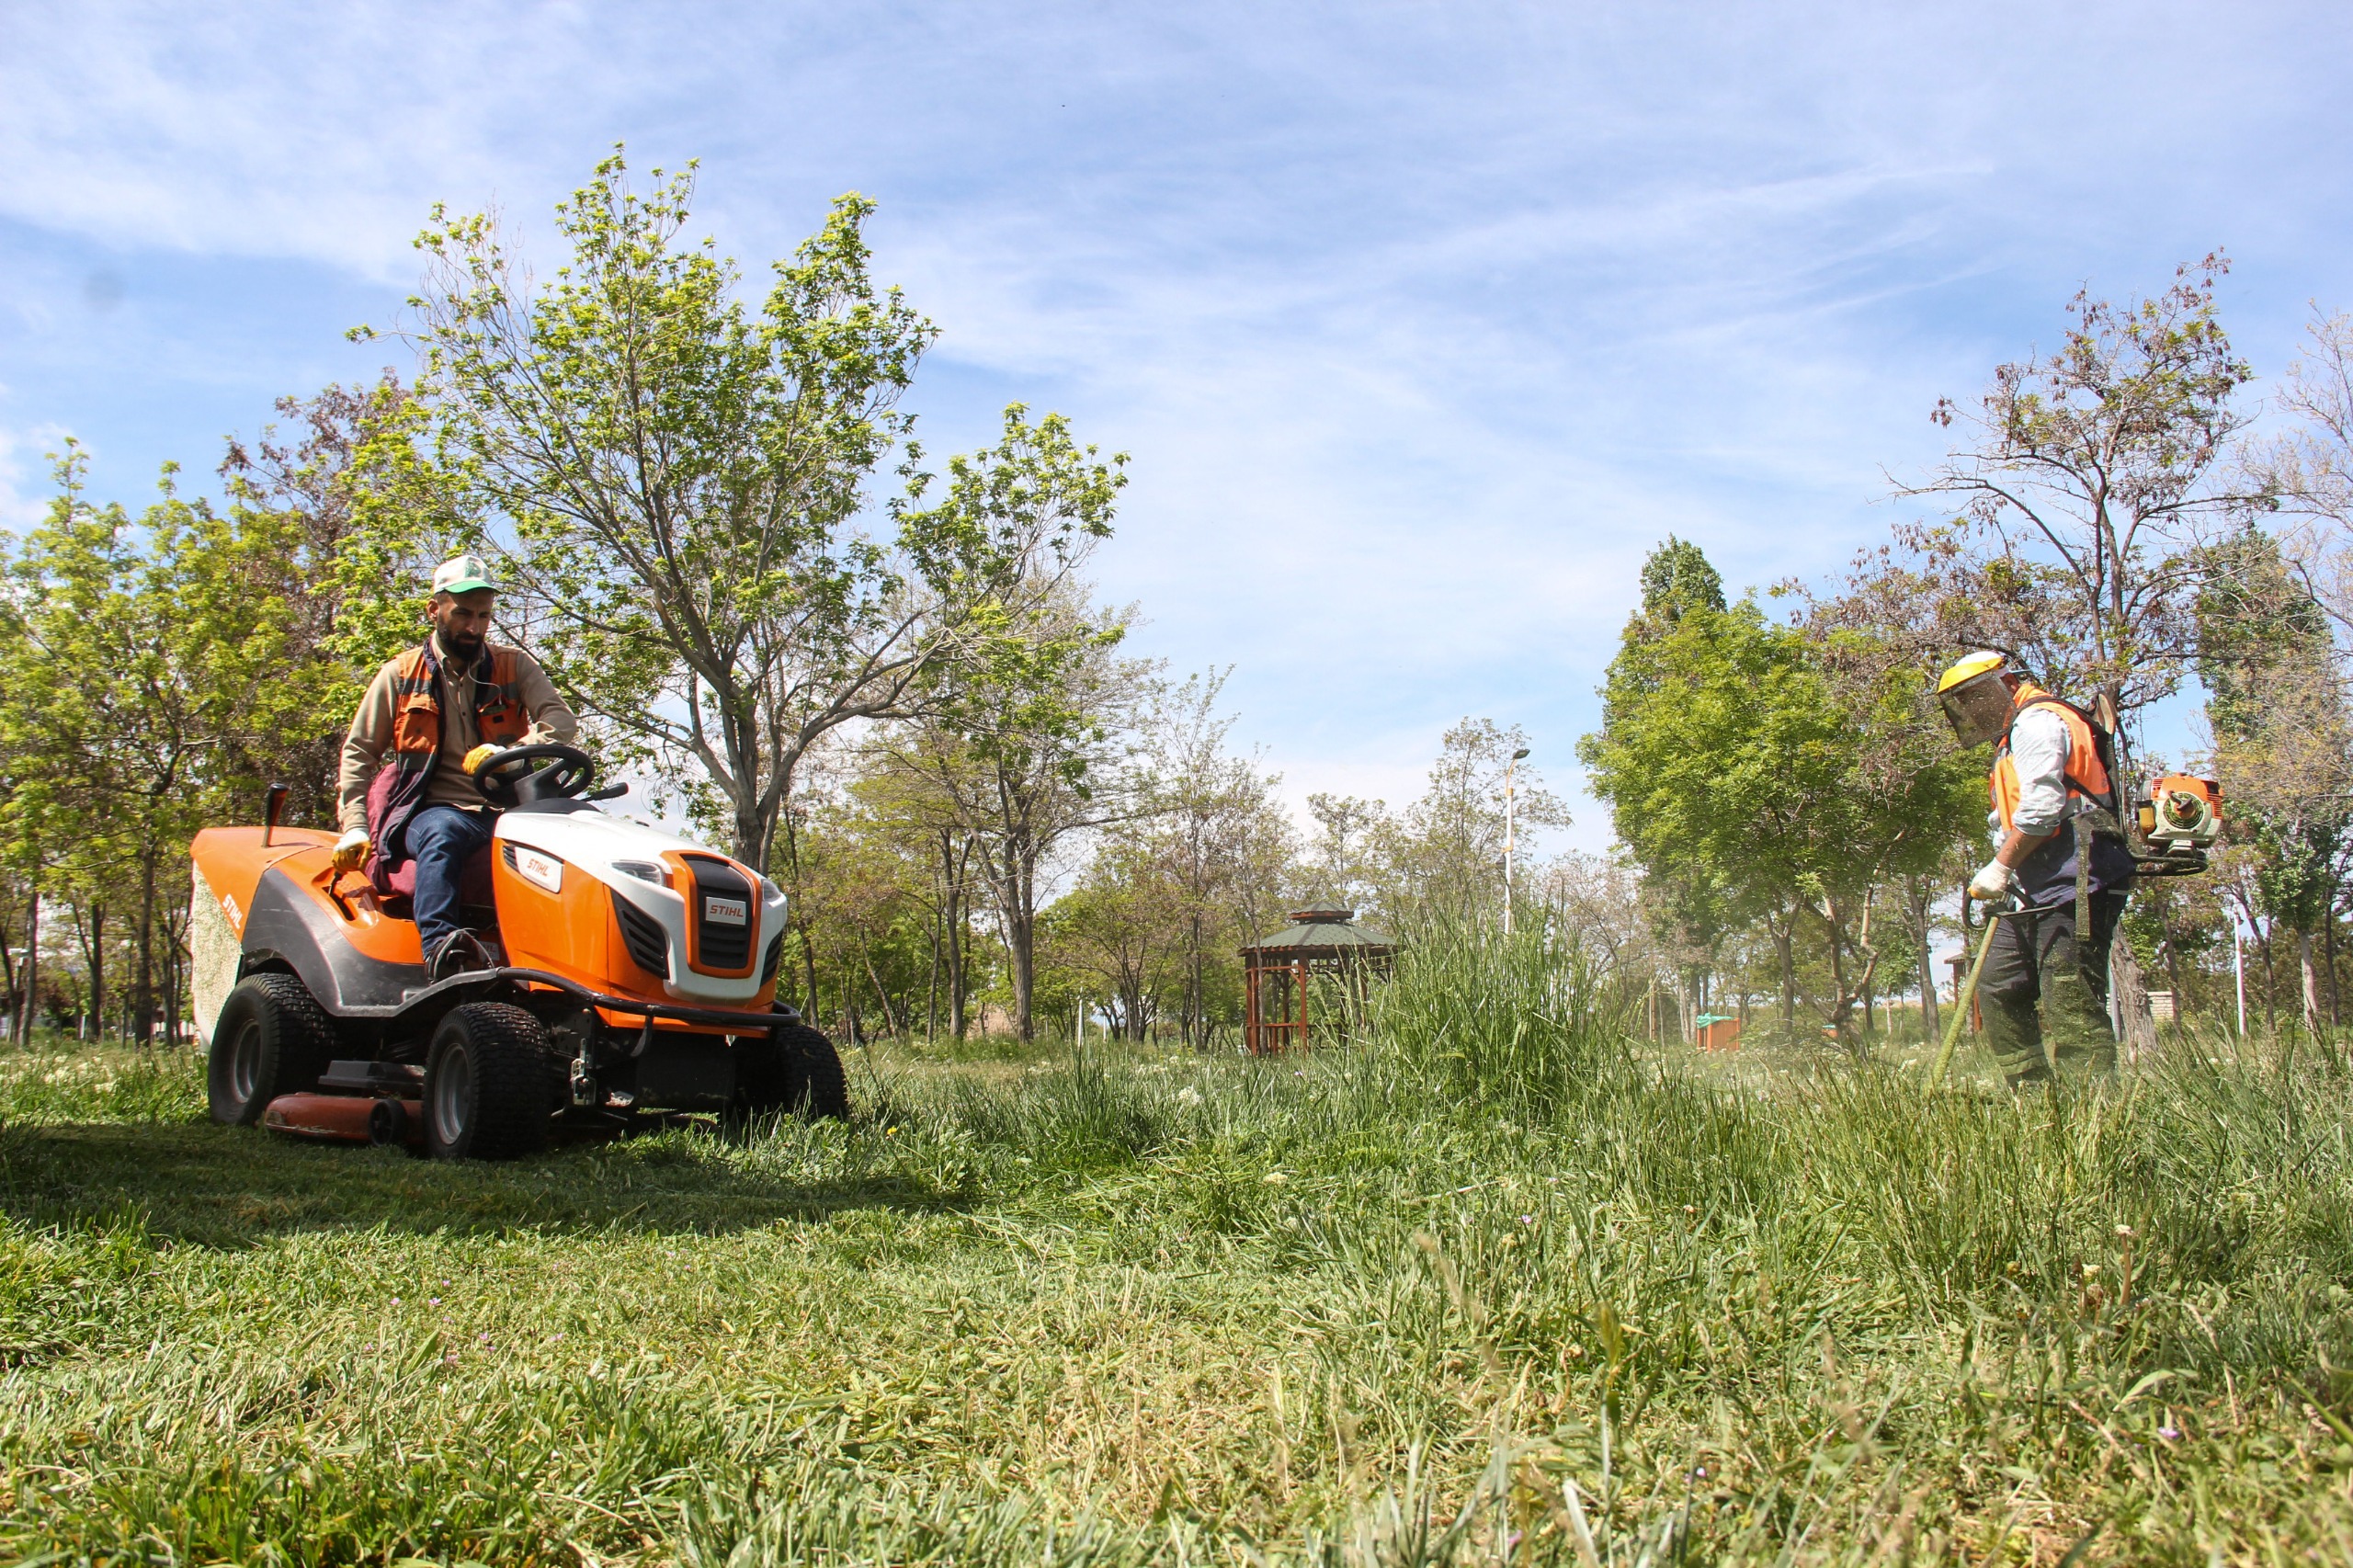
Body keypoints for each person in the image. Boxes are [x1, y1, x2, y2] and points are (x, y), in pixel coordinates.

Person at [333, 555, 578, 978]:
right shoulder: (399, 675)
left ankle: (567, 963)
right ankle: (442, 949)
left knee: (582, 833)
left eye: (483, 616)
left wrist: (512, 751)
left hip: (507, 811)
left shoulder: (513, 665)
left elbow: (561, 722)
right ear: (435, 609)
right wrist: (355, 827)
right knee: (443, 832)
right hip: (431, 810)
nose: (474, 626)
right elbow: (359, 753)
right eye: (463, 613)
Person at [1935, 651, 2135, 1087]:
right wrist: (2003, 869)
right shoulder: (2009, 741)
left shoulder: (2038, 722)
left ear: (2005, 684)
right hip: (2032, 883)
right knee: (1997, 984)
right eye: (1963, 703)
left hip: (2077, 875)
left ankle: (2095, 1107)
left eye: (1975, 697)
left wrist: (2000, 867)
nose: (1973, 710)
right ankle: (2032, 1094)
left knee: (2068, 994)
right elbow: (2007, 819)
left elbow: (2043, 809)